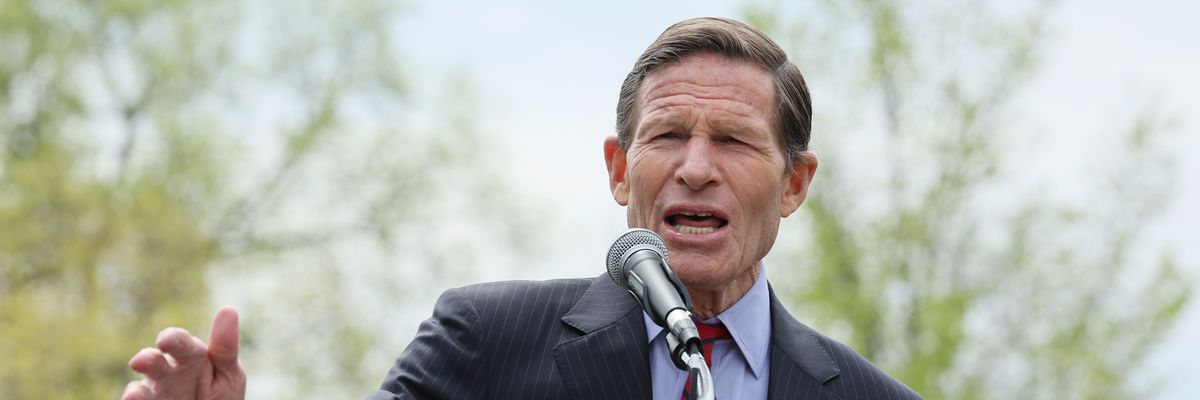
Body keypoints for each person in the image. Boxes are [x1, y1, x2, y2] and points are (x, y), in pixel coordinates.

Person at [121, 17, 921, 400]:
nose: (696, 169)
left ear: (794, 184)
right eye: (667, 134)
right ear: (618, 169)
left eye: (736, 144)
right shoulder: (485, 342)